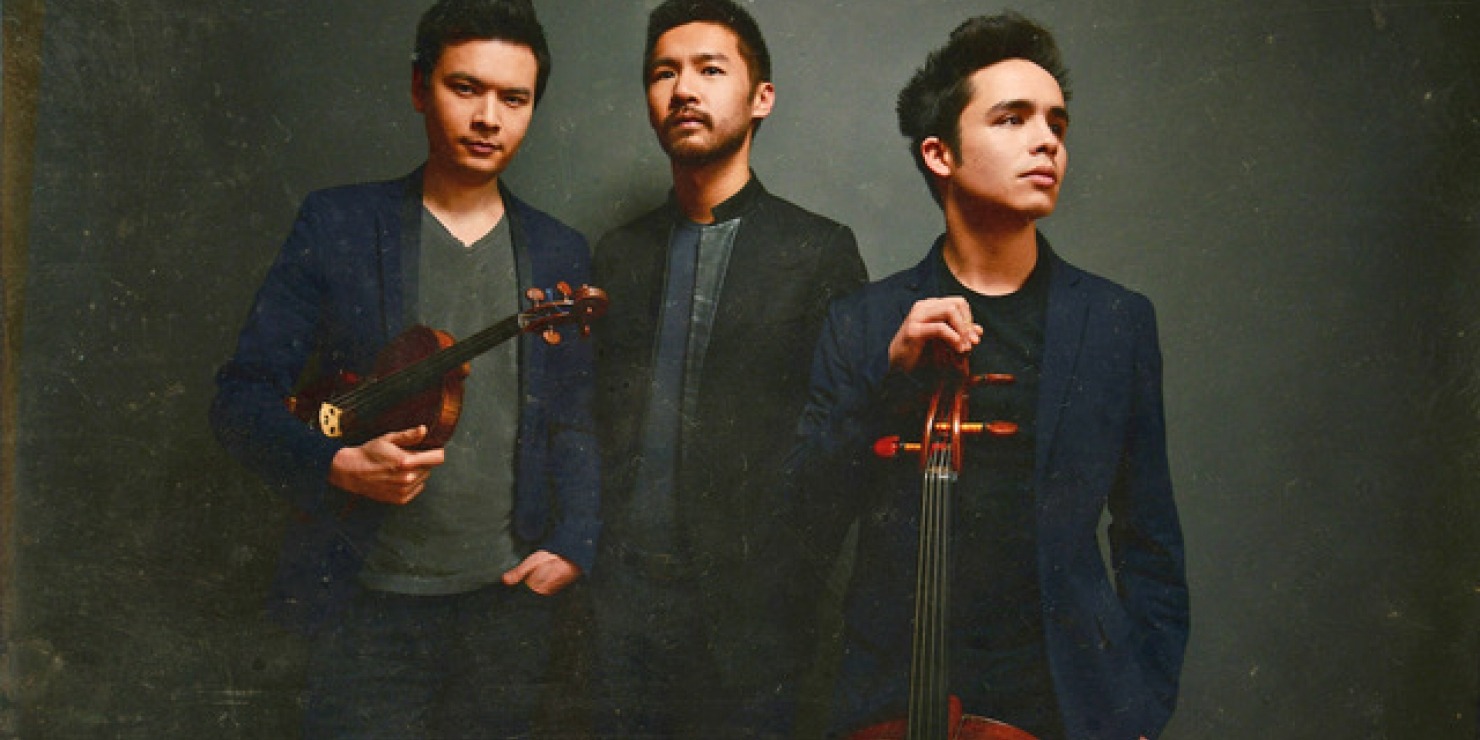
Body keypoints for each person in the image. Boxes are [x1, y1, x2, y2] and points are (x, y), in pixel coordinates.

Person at [789, 12, 1189, 740]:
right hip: (894, 697)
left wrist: (1139, 703)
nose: (1048, 142)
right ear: (941, 154)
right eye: (1012, 119)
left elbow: (1150, 541)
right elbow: (804, 525)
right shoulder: (862, 322)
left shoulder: (1118, 321)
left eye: (1056, 124)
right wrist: (889, 380)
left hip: (1066, 701)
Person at [208, 1, 598, 736]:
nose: (488, 117)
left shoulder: (559, 251)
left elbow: (574, 417)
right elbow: (240, 399)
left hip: (506, 608)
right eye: (465, 88)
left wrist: (575, 540)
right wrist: (333, 466)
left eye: (513, 99)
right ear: (421, 88)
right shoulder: (338, 223)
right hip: (364, 604)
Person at [588, 0, 868, 736]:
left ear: (760, 97)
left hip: (750, 629)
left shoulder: (819, 251)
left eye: (711, 70)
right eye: (664, 72)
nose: (684, 89)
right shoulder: (618, 254)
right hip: (617, 618)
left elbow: (843, 448)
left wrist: (785, 585)